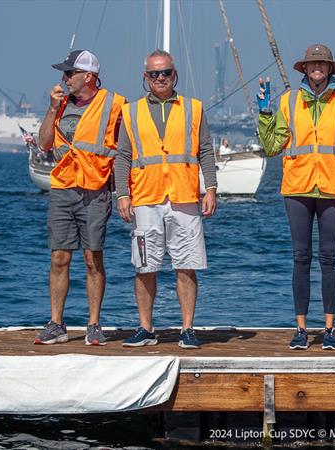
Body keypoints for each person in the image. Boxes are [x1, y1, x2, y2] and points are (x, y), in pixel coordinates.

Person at [257, 44, 335, 350]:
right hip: (298, 187)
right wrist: (265, 113)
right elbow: (272, 146)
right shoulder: (288, 101)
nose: (317, 67)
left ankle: (330, 329)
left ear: (330, 68)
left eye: (323, 63)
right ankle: (301, 329)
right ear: (304, 68)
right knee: (301, 258)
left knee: (328, 259)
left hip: (334, 188)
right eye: (312, 63)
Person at [114, 49, 217, 349]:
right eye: (154, 74)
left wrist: (210, 187)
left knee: (187, 265)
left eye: (166, 73)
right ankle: (146, 328)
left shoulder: (194, 108)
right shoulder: (130, 111)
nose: (160, 78)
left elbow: (206, 150)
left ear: (175, 75)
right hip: (146, 197)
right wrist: (122, 194)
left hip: (184, 196)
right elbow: (123, 156)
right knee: (145, 266)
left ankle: (187, 329)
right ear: (145, 77)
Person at [35, 50, 126, 346]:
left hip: (95, 189)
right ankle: (56, 323)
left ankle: (94, 324)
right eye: (64, 73)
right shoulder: (60, 105)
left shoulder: (115, 104)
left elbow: (127, 148)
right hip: (63, 186)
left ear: (89, 76)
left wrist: (125, 189)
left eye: (69, 73)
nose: (64, 79)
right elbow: (45, 143)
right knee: (59, 256)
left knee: (92, 258)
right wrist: (51, 108)